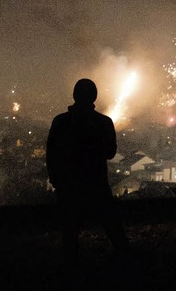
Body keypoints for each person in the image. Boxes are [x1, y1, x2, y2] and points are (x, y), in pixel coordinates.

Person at [46, 78, 130, 266]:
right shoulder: (104, 122)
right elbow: (110, 152)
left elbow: (51, 154)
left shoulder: (61, 122)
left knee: (70, 231)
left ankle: (70, 269)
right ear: (94, 97)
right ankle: (127, 265)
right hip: (97, 185)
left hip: (70, 186)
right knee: (113, 227)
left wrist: (56, 180)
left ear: (74, 96)